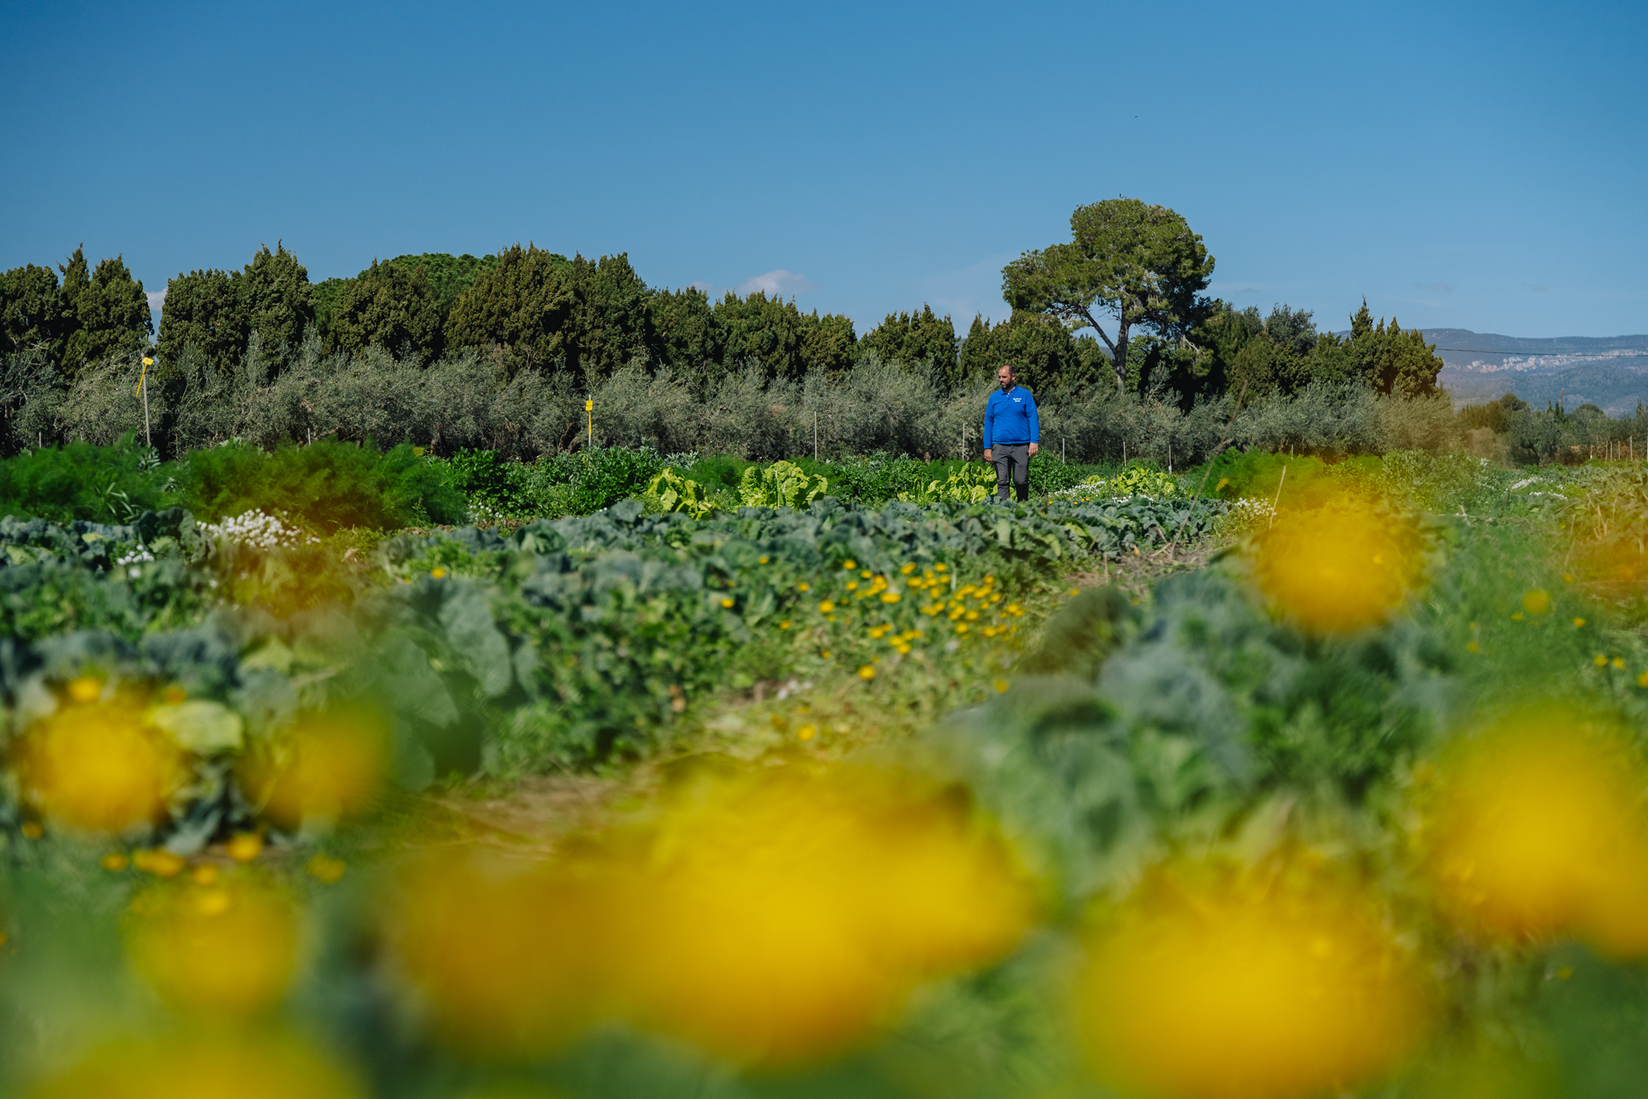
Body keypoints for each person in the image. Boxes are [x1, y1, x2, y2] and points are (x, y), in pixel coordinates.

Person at [982, 362, 1039, 502]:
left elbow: (1033, 418)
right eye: (999, 377)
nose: (1001, 380)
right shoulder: (994, 398)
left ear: (1013, 376)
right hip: (999, 447)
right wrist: (987, 447)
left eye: (1004, 377)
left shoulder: (1025, 395)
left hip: (1021, 446)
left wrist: (1034, 441)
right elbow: (988, 422)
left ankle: (1023, 508)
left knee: (1020, 481)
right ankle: (1005, 512)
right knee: (1002, 481)